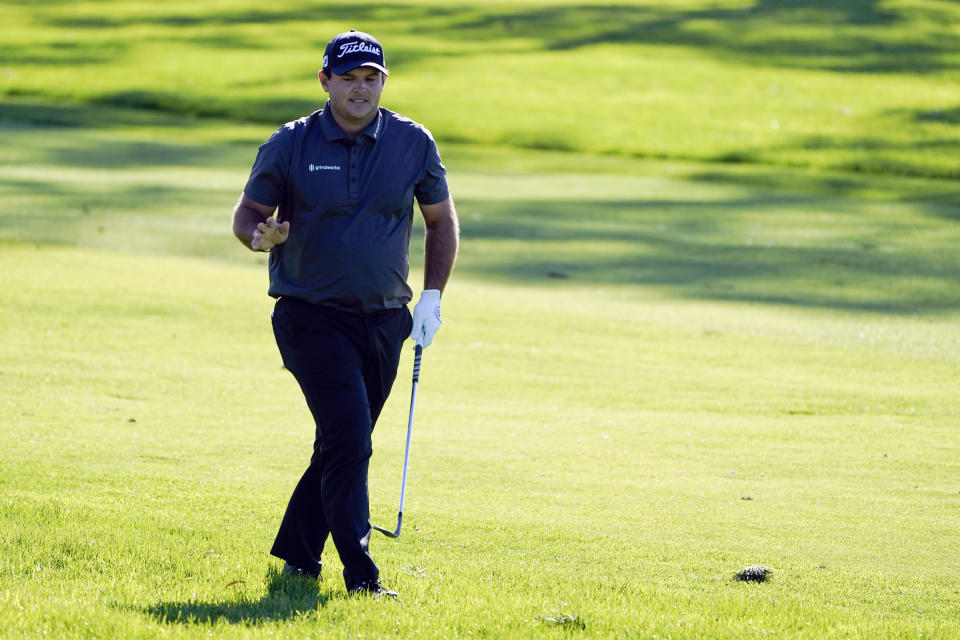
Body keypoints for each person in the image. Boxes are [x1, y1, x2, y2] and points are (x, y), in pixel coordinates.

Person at [231, 29, 459, 598]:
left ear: (383, 81)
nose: (361, 89)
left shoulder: (413, 142)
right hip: (310, 315)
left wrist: (432, 296)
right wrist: (262, 238)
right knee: (351, 437)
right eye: (349, 78)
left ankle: (299, 555)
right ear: (325, 80)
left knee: (339, 442)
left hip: (385, 320)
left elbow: (440, 222)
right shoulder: (291, 143)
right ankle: (362, 575)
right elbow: (248, 213)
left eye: (371, 79)